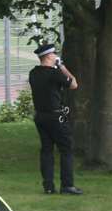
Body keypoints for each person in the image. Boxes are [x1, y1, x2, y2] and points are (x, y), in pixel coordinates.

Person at [28, 43, 82, 195]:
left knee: (46, 150)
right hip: (56, 116)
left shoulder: (34, 73)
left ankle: (49, 186)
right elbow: (73, 84)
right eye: (54, 55)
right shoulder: (55, 73)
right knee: (66, 149)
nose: (55, 57)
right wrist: (62, 66)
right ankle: (67, 185)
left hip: (40, 116)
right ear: (50, 56)